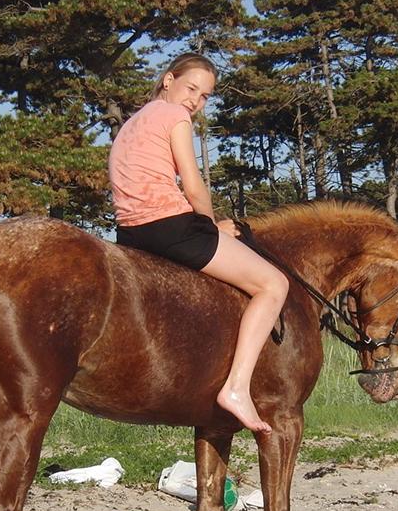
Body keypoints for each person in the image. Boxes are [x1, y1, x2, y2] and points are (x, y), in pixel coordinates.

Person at [108, 53, 289, 436]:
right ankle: (237, 387)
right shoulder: (176, 117)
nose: (196, 101)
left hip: (130, 232)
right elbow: (192, 186)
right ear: (169, 80)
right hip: (171, 226)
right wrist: (208, 226)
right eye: (191, 88)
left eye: (205, 96)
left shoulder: (132, 123)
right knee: (275, 284)